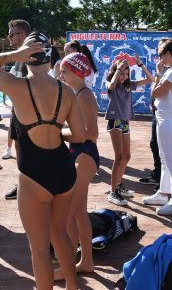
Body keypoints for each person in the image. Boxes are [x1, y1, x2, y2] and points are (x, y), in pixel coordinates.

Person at [0, 31, 85, 290]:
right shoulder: (66, 90)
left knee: (38, 248)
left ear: (27, 58)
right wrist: (54, 129)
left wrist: (14, 55)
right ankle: (72, 286)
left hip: (34, 173)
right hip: (64, 168)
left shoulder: (17, 86)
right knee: (61, 235)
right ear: (49, 58)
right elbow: (80, 134)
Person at [55, 52, 99, 280]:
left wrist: (58, 133)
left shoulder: (84, 95)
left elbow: (91, 134)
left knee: (68, 216)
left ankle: (67, 266)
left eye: (64, 71)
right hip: (80, 156)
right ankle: (87, 262)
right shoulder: (76, 93)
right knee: (80, 214)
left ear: (76, 71)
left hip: (85, 156)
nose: (60, 74)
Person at [142, 39, 172, 215]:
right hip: (165, 118)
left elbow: (155, 93)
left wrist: (158, 73)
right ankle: (163, 193)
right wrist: (160, 74)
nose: (160, 58)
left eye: (161, 55)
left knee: (171, 161)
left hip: (169, 119)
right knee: (165, 159)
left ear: (168, 54)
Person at [105, 53, 154, 206]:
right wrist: (118, 70)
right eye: (121, 73)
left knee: (126, 156)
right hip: (115, 121)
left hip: (125, 122)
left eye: (126, 73)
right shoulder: (111, 83)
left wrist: (140, 65)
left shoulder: (129, 84)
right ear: (116, 72)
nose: (123, 76)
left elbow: (150, 80)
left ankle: (118, 187)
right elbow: (111, 85)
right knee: (119, 157)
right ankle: (113, 193)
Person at [1, 19, 32, 201]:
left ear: (23, 35)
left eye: (12, 34)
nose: (9, 37)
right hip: (17, 110)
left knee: (31, 149)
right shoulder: (18, 57)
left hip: (29, 112)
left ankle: (30, 185)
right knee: (19, 146)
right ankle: (23, 183)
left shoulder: (32, 55)